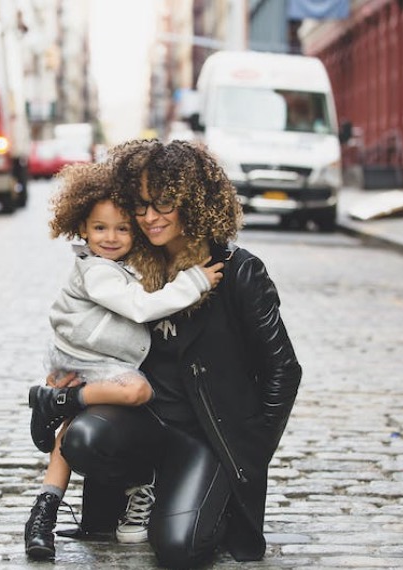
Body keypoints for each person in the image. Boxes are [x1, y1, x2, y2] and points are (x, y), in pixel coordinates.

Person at [56, 139, 303, 568]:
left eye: (165, 203)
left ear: (193, 201)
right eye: (142, 205)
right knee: (83, 440)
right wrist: (70, 375)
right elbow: (87, 328)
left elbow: (284, 369)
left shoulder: (238, 271)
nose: (150, 217)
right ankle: (144, 486)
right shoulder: (130, 265)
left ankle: (206, 495)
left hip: (206, 435)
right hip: (145, 422)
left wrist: (249, 452)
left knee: (178, 549)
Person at [24, 161, 224, 560]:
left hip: (89, 355)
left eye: (122, 228)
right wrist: (195, 282)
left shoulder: (121, 265)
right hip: (90, 357)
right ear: (82, 228)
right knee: (137, 390)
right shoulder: (97, 271)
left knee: (70, 429)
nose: (112, 237)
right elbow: (138, 307)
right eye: (100, 228)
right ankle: (62, 403)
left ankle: (42, 511)